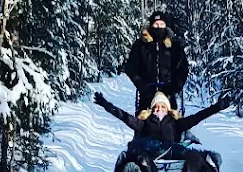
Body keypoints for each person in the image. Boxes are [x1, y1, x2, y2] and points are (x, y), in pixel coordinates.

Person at [93, 90, 229, 162]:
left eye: (162, 106)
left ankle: (209, 159)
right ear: (152, 109)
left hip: (170, 150)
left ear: (168, 109)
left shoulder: (175, 122)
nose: (159, 109)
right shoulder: (145, 122)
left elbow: (197, 117)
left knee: (187, 152)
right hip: (148, 151)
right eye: (156, 106)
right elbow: (125, 117)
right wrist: (106, 104)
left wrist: (217, 107)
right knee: (138, 144)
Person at [122, 10, 189, 114]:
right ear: (151, 25)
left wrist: (176, 86)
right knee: (144, 125)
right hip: (146, 93)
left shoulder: (174, 46)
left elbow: (183, 67)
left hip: (168, 94)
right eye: (156, 24)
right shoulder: (141, 45)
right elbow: (131, 67)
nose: (159, 27)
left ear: (166, 26)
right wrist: (141, 84)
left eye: (162, 24)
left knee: (171, 125)